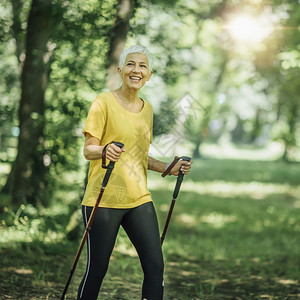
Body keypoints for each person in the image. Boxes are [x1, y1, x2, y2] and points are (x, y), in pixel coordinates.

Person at [77, 45, 192, 300]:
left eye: (142, 66)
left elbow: (138, 155)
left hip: (139, 199)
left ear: (149, 74)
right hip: (103, 199)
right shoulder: (103, 102)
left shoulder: (147, 109)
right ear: (120, 70)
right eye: (131, 64)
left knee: (155, 267)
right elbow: (89, 150)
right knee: (97, 270)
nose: (136, 70)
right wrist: (104, 149)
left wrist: (168, 167)